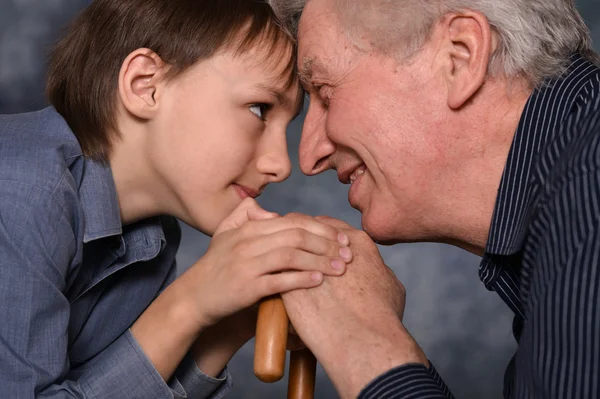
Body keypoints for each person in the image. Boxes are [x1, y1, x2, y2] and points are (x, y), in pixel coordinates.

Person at [0, 0, 355, 397]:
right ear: (145, 85)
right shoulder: (20, 190)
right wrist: (189, 301)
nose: (280, 165)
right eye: (259, 108)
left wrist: (230, 319)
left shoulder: (154, 237)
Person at [267, 0, 600, 398]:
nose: (309, 156)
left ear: (459, 57)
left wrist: (365, 341)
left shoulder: (589, 191)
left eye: (324, 93)